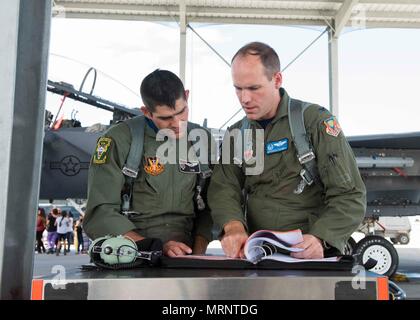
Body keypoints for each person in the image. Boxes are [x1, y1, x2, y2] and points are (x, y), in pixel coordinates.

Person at [208, 42, 366, 259]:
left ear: (277, 80)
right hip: (258, 256)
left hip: (311, 255)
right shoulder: (236, 134)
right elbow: (223, 188)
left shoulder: (315, 122)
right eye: (238, 88)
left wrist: (321, 237)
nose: (244, 99)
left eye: (254, 88)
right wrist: (233, 226)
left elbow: (350, 195)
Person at [84, 69, 215, 257]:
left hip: (187, 255)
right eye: (166, 118)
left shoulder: (201, 140)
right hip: (132, 255)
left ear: (186, 96)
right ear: (146, 112)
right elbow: (100, 212)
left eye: (182, 112)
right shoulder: (120, 140)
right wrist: (153, 247)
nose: (177, 123)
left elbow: (211, 207)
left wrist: (197, 255)